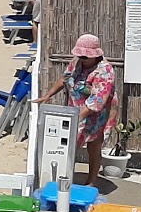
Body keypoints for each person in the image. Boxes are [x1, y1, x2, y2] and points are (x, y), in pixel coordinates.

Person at [36, 34, 117, 184]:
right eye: (80, 55)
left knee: (93, 145)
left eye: (85, 56)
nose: (82, 58)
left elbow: (98, 100)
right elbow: (65, 78)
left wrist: (76, 119)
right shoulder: (77, 62)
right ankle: (63, 178)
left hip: (96, 113)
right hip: (76, 110)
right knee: (69, 145)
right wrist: (48, 95)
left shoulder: (105, 71)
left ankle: (91, 181)